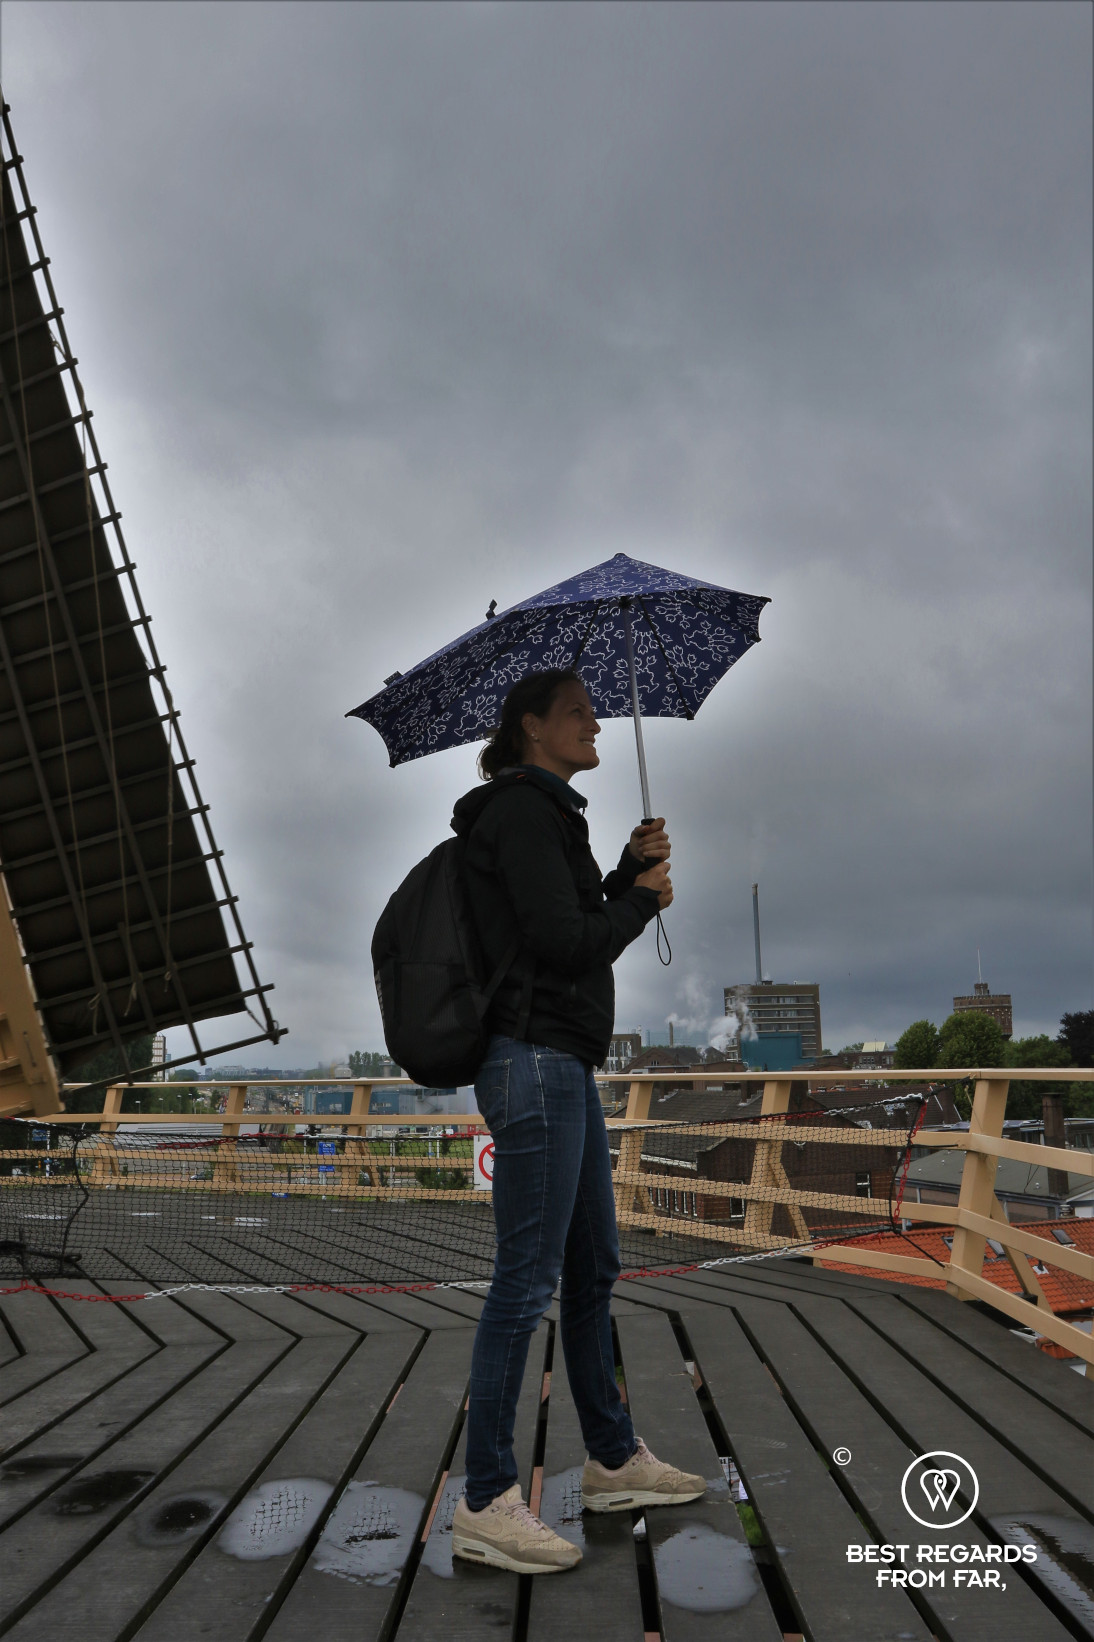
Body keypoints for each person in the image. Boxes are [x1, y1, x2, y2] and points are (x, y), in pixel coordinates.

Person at [449, 668, 705, 1575]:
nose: (597, 724)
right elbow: (566, 945)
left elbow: (558, 922)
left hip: (561, 1066)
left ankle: (610, 1459)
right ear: (531, 727)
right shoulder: (519, 814)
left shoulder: (547, 815)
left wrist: (625, 873)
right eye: (578, 713)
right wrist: (642, 901)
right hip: (535, 1063)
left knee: (593, 1265)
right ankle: (483, 1498)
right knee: (524, 1285)